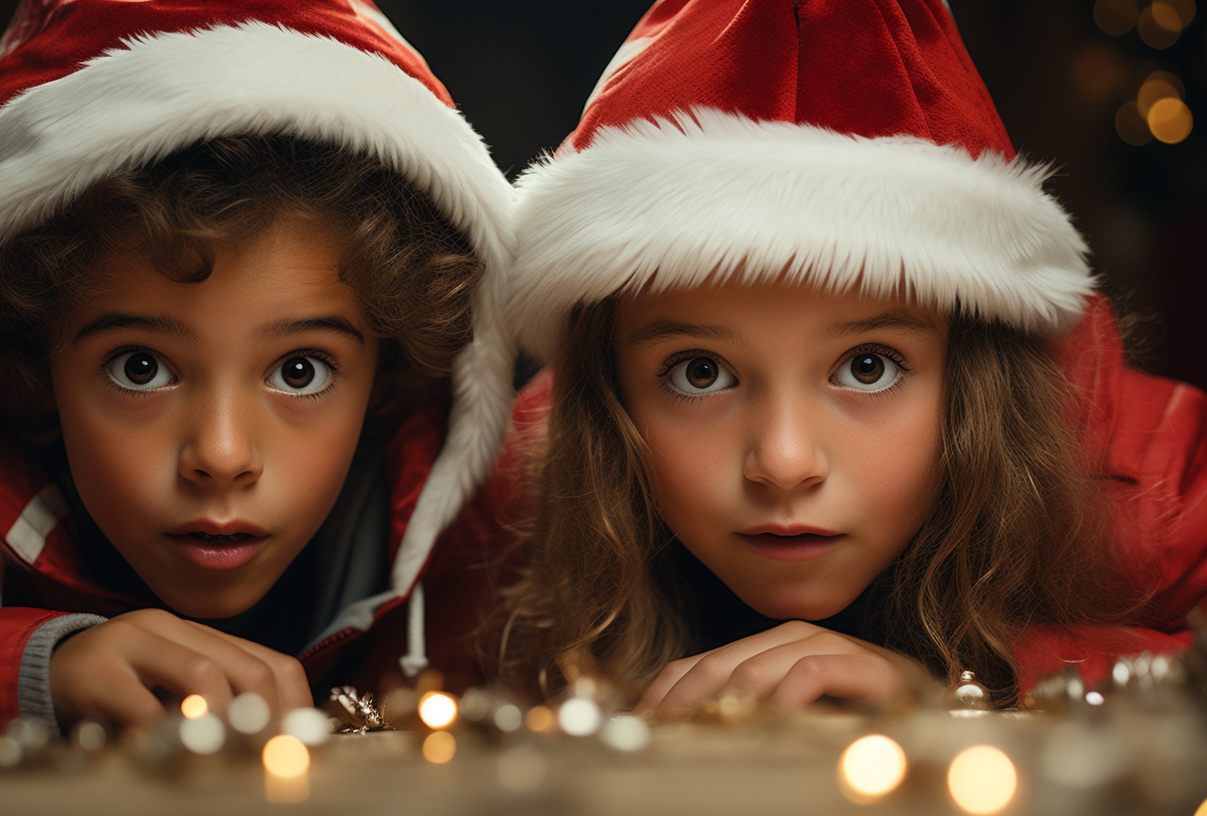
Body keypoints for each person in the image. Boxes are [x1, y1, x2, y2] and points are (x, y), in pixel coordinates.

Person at [0, 0, 516, 737]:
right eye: (142, 367)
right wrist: (35, 670)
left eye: (300, 371)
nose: (220, 455)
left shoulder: (495, 547)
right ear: (33, 359)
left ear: (387, 374)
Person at [498, 0, 1207, 711]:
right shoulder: (527, 497)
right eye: (700, 372)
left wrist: (970, 689)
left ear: (974, 370)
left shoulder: (1144, 478)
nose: (784, 462)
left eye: (868, 366)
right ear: (610, 388)